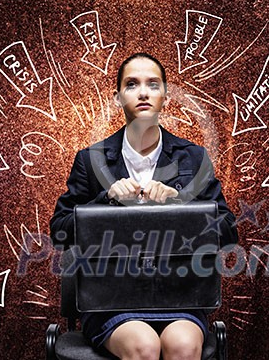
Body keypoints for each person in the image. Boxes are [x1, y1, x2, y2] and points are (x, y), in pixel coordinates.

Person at [50, 52, 238, 360]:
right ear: (118, 97)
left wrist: (179, 202)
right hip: (110, 299)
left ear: (165, 95)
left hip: (179, 296)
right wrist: (106, 200)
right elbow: (59, 231)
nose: (142, 92)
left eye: (152, 84)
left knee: (183, 346)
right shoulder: (91, 159)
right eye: (131, 84)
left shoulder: (193, 157)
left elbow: (228, 232)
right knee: (145, 347)